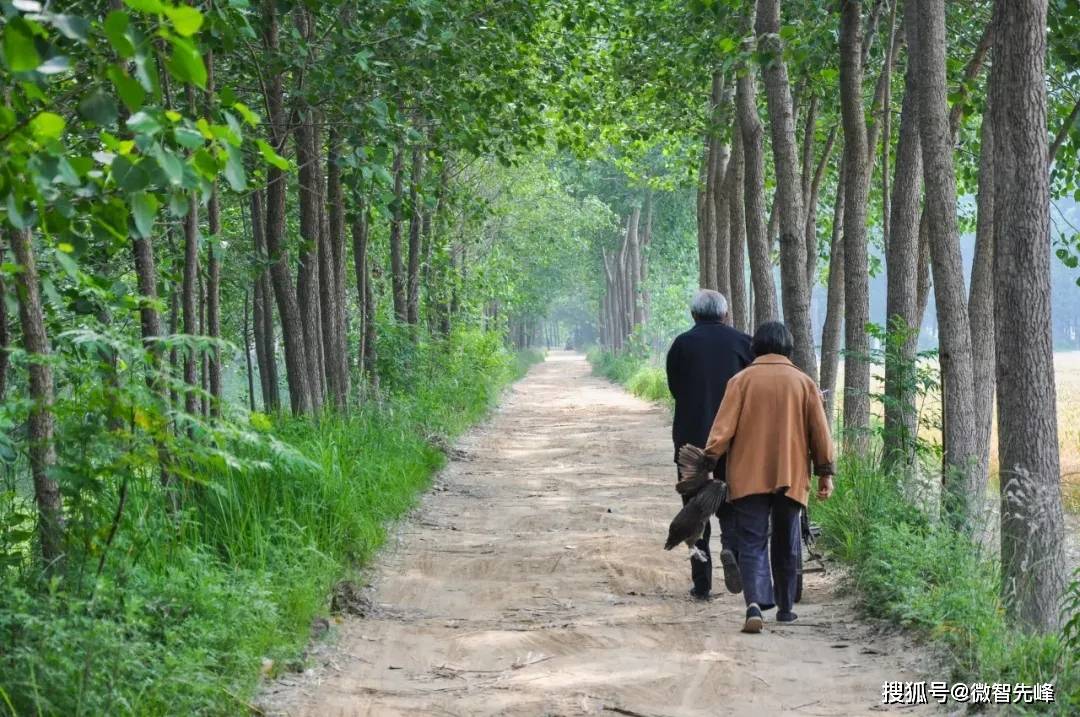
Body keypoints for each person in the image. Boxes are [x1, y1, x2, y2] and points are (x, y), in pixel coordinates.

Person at [703, 321, 835, 632]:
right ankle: (786, 608)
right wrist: (825, 472)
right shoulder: (804, 384)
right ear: (788, 347)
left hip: (747, 474)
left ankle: (755, 604)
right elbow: (821, 433)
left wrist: (709, 461)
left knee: (752, 539)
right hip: (791, 473)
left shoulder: (740, 381)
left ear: (756, 347)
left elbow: (722, 430)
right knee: (787, 539)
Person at [665, 289, 752, 600]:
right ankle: (732, 550)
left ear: (693, 315)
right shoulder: (744, 343)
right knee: (731, 502)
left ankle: (702, 583)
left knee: (694, 512)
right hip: (734, 441)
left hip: (691, 442)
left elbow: (675, 388)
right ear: (725, 314)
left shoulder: (681, 345)